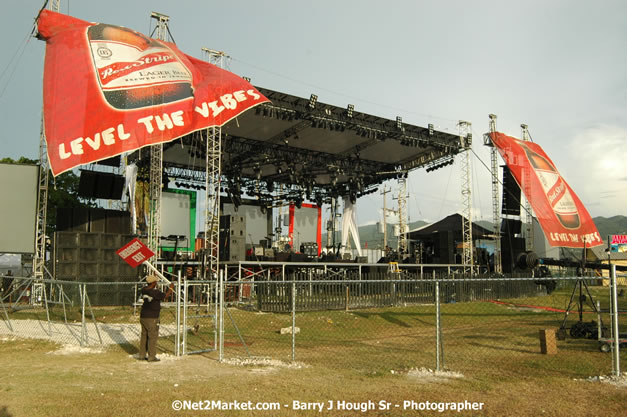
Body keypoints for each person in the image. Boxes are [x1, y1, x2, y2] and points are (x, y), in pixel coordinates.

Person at [138, 275, 174, 362]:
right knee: (152, 337)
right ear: (153, 283)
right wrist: (171, 288)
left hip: (143, 316)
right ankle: (151, 356)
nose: (156, 283)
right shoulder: (155, 292)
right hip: (152, 317)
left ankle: (142, 355)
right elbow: (165, 295)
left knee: (144, 336)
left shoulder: (144, 290)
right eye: (156, 282)